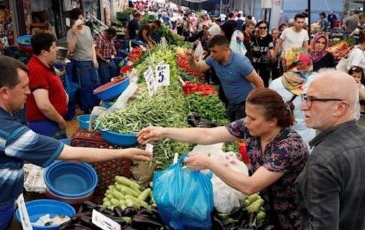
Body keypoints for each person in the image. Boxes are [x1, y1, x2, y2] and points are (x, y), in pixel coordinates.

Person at [0, 56, 152, 229]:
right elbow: (71, 153)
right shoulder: (11, 134)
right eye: (24, 87)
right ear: (4, 92)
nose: (28, 92)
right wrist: (123, 153)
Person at [138, 88, 309, 230]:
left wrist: (210, 163)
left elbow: (250, 186)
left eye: (252, 118)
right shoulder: (251, 128)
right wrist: (163, 131)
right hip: (270, 206)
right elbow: (208, 134)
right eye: (247, 115)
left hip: (296, 213)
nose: (246, 121)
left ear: (272, 121)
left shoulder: (288, 146)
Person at [296, 70, 365, 229]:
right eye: (305, 97)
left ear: (340, 108)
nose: (303, 106)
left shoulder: (323, 160)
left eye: (312, 99)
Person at [185, 35, 264, 121]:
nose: (211, 54)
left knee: (240, 132)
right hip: (231, 103)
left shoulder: (240, 62)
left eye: (214, 51)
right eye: (211, 51)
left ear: (226, 50)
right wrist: (191, 60)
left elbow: (259, 83)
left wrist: (255, 105)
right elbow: (199, 68)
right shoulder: (213, 59)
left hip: (244, 104)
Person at [26, 32, 68, 139]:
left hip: (52, 122)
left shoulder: (46, 65)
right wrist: (60, 120)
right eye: (53, 47)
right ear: (44, 52)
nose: (57, 49)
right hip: (45, 125)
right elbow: (43, 105)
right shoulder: (36, 69)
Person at [269, 48, 316, 144]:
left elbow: (270, 111)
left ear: (286, 63)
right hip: (310, 133)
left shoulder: (276, 84)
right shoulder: (316, 80)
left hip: (285, 134)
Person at [67, 8, 100, 114]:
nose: (81, 19)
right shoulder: (71, 32)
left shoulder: (87, 28)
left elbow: (92, 45)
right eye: (79, 18)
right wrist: (74, 33)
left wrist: (94, 59)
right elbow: (71, 49)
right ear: (73, 20)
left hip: (91, 61)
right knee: (85, 87)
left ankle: (95, 107)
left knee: (95, 83)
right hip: (81, 63)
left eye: (81, 17)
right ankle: (87, 109)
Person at [249, 21, 275, 87]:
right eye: (261, 28)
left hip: (265, 60)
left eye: (264, 27)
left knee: (265, 78)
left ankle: (264, 91)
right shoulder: (254, 36)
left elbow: (271, 47)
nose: (262, 29)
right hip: (255, 60)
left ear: (267, 28)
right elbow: (250, 48)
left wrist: (272, 56)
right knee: (255, 78)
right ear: (258, 28)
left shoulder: (269, 37)